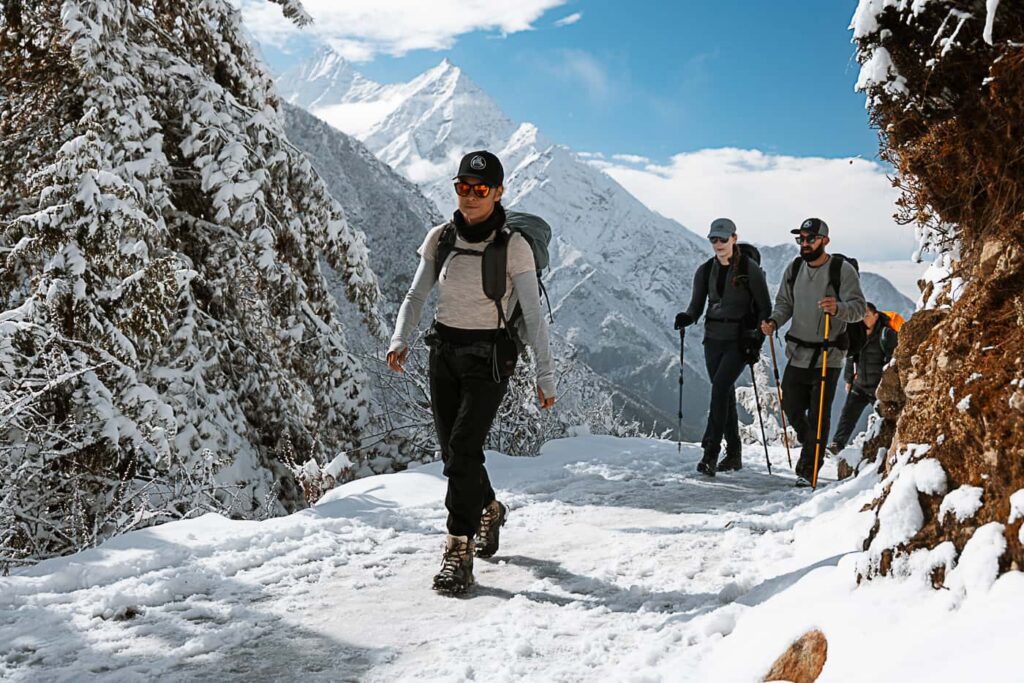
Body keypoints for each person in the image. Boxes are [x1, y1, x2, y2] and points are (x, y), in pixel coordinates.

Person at [386, 150, 556, 595]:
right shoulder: (441, 238)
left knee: (463, 448)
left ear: (498, 193)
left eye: (481, 189)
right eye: (463, 187)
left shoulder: (514, 247)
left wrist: (545, 375)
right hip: (443, 353)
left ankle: (457, 552)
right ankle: (489, 509)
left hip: (491, 357)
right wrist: (400, 338)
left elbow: (533, 317)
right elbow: (415, 295)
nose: (470, 196)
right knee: (455, 455)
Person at [760, 218, 866, 487]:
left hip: (829, 356)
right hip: (798, 353)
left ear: (825, 241)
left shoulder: (842, 271)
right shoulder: (795, 268)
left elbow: (858, 309)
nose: (805, 243)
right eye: (801, 239)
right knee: (791, 406)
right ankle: (813, 443)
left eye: (810, 238)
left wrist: (838, 308)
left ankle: (808, 470)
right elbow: (784, 303)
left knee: (819, 415)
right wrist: (774, 321)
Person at [675, 218, 771, 476]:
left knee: (719, 388)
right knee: (724, 394)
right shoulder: (705, 270)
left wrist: (756, 338)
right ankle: (734, 454)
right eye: (713, 239)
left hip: (739, 341)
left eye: (723, 239)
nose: (718, 244)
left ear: (734, 239)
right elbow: (696, 307)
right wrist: (686, 318)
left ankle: (711, 452)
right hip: (713, 340)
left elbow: (765, 307)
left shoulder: (750, 269)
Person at [828, 303, 898, 453]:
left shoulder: (887, 334)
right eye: (861, 316)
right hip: (859, 385)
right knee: (847, 416)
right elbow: (851, 356)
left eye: (866, 315)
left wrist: (887, 386)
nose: (863, 319)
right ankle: (836, 445)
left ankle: (891, 446)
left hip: (878, 388)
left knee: (887, 418)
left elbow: (892, 362)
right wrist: (849, 380)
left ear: (876, 316)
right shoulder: (857, 334)